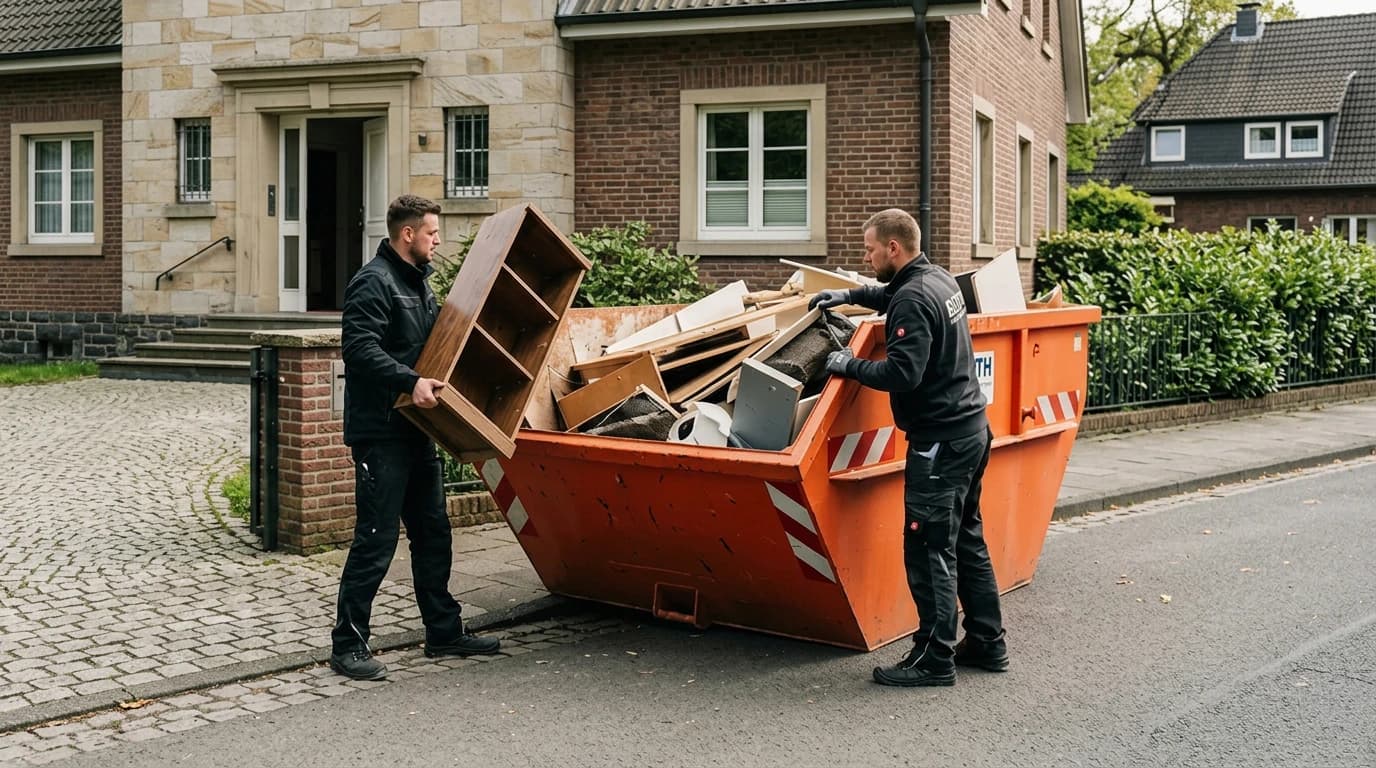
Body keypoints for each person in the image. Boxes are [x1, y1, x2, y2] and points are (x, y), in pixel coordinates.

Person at [809, 208, 1007, 687]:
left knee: (928, 547)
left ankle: (934, 659)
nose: (866, 257)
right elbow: (890, 293)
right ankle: (987, 641)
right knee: (966, 539)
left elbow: (903, 373)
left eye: (870, 250)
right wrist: (849, 295)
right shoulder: (937, 279)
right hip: (970, 431)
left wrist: (847, 365)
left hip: (939, 443)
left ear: (893, 248)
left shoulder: (913, 298)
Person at [331, 193, 500, 681]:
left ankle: (443, 632)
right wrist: (411, 381)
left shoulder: (418, 284)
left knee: (433, 532)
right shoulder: (373, 281)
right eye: (431, 232)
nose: (437, 240)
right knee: (376, 539)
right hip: (380, 433)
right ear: (408, 234)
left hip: (417, 429)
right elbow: (358, 349)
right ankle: (348, 646)